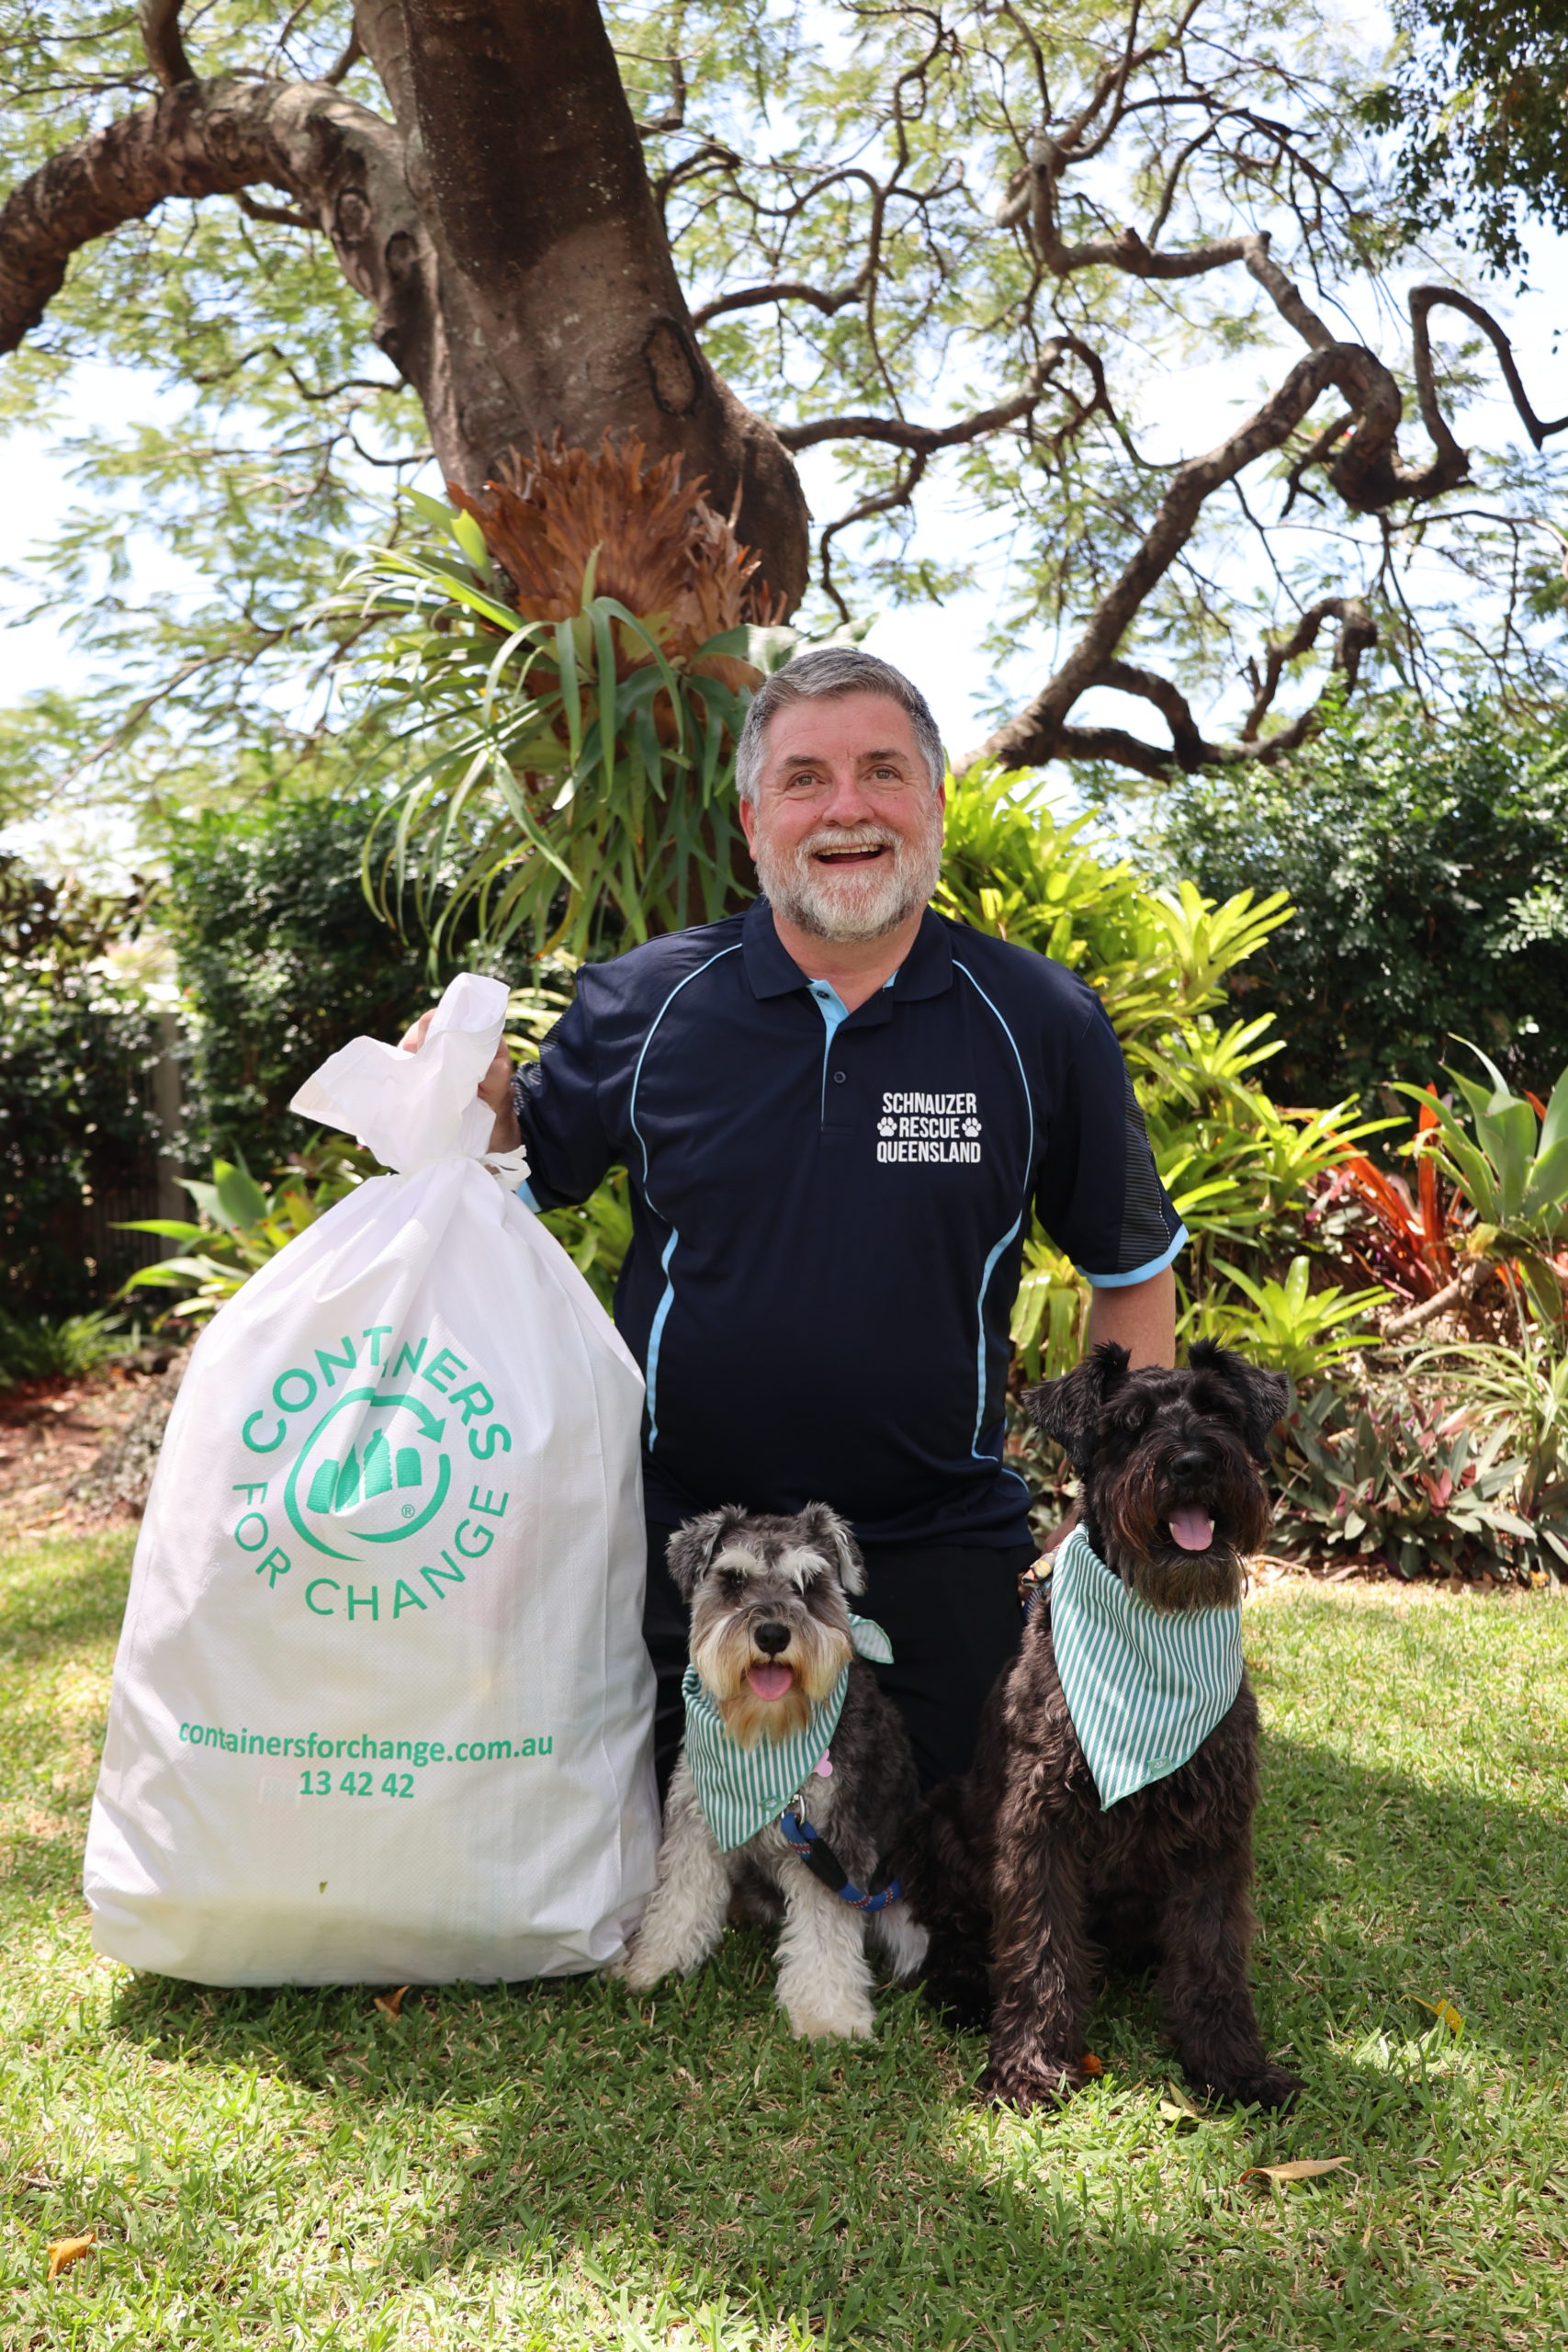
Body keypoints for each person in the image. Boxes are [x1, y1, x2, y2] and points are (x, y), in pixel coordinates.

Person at [408, 647, 1184, 1797]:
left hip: (930, 1535)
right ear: (752, 817)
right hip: (691, 1537)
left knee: (962, 1834)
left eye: (882, 772)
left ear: (933, 800)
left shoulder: (1040, 1019)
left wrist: (1115, 1505)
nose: (847, 808)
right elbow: (511, 1178)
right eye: (805, 778)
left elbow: (1130, 1267)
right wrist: (462, 1100)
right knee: (654, 1819)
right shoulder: (642, 1002)